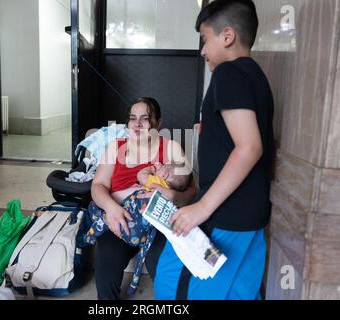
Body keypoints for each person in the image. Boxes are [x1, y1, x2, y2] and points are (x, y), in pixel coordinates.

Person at [149, 0, 275, 300]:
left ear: (227, 36)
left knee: (172, 284)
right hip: (251, 216)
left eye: (205, 39)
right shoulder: (257, 77)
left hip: (224, 215)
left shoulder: (228, 74)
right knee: (238, 293)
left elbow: (249, 148)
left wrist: (200, 209)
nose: (203, 50)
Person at [90, 97, 196, 300]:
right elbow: (97, 186)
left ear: (158, 124)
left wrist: (173, 195)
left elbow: (191, 190)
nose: (137, 124)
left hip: (159, 224)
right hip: (120, 217)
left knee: (161, 262)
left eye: (145, 119)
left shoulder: (170, 147)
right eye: (132, 118)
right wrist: (111, 208)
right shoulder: (116, 147)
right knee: (107, 257)